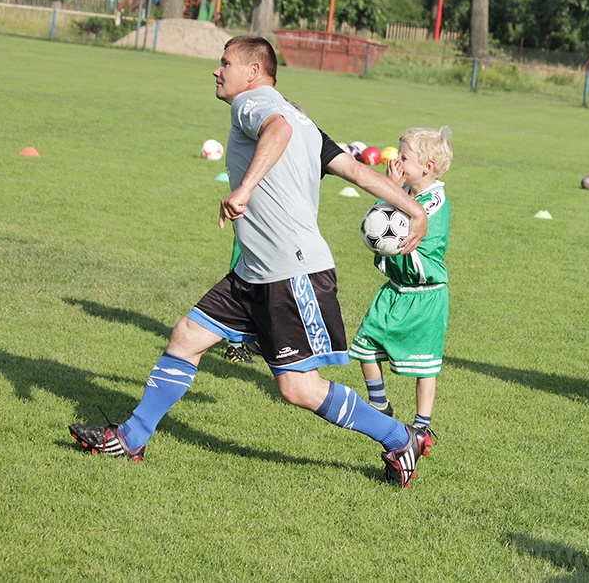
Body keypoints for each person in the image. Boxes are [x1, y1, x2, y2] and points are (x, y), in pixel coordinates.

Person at [69, 35, 433, 487]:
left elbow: (275, 129)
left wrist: (242, 189)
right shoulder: (305, 121)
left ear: (254, 72)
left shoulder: (253, 103)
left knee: (297, 387)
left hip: (290, 271)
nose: (217, 71)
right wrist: (414, 209)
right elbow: (358, 171)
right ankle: (131, 437)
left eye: (225, 63)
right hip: (253, 271)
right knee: (186, 336)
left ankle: (400, 439)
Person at [350, 127, 453, 438]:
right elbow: (374, 229)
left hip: (425, 296)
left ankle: (423, 425)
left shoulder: (435, 199)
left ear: (427, 166)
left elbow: (405, 226)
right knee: (364, 347)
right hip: (394, 291)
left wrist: (390, 192)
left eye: (404, 157)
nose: (396, 161)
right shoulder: (404, 193)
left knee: (425, 367)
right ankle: (379, 405)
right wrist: (391, 189)